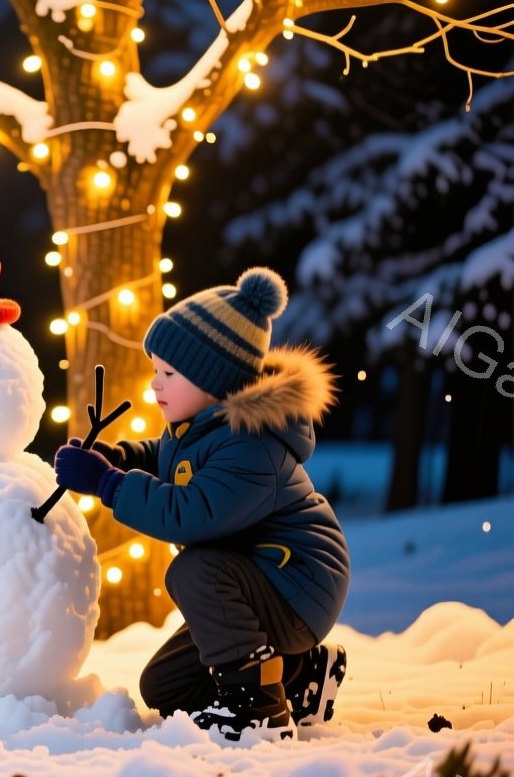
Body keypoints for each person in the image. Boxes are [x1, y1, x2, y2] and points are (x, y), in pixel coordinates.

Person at [53, 267, 349, 742]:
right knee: (165, 687)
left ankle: (258, 708)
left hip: (296, 584)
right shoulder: (203, 427)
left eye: (169, 374)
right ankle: (301, 674)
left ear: (217, 382)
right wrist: (122, 458)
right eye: (156, 371)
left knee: (194, 570)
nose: (156, 385)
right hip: (255, 578)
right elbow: (170, 458)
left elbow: (192, 514)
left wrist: (109, 484)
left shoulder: (253, 445)